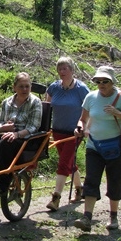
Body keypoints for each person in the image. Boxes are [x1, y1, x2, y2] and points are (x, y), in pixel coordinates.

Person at [73, 66, 121, 232]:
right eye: (98, 81)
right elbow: (83, 119)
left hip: (116, 147)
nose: (101, 84)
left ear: (112, 82)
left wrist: (117, 112)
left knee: (115, 180)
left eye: (105, 81)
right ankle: (87, 217)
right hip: (94, 145)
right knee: (91, 179)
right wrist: (79, 128)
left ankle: (113, 216)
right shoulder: (90, 97)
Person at [0, 72, 42, 195]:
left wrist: (17, 134)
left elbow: (34, 127)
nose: (24, 89)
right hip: (6, 135)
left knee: (8, 140)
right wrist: (3, 128)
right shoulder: (6, 102)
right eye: (21, 86)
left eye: (27, 86)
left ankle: (2, 183)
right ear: (14, 87)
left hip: (25, 139)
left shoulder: (35, 102)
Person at [44, 57, 90, 211]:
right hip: (57, 131)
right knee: (69, 163)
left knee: (63, 163)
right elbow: (47, 108)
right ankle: (80, 189)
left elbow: (89, 109)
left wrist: (83, 126)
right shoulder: (54, 88)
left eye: (65, 68)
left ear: (72, 70)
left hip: (74, 133)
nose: (62, 72)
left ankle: (56, 198)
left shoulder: (81, 89)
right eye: (59, 69)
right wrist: (46, 129)